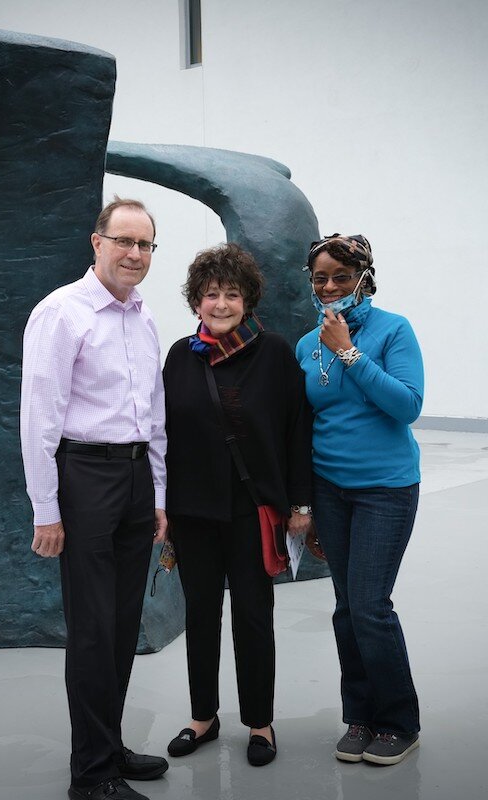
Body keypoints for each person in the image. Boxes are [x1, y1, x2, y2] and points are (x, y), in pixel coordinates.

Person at [20, 198, 170, 800]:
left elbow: (153, 414)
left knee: (123, 622)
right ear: (97, 242)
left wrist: (158, 492)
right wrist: (46, 509)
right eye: (124, 241)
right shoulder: (62, 313)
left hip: (135, 478)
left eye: (146, 245)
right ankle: (92, 775)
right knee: (91, 629)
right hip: (84, 476)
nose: (135, 254)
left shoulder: (144, 315)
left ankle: (109, 743)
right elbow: (40, 417)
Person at [160, 243, 313, 768]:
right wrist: (162, 506)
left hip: (253, 511)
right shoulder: (181, 355)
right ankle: (203, 717)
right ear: (195, 301)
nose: (220, 304)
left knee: (253, 617)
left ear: (247, 299)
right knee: (200, 616)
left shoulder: (274, 354)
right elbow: (164, 435)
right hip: (193, 512)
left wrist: (301, 504)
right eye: (210, 294)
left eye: (231, 294)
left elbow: (297, 432)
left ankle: (260, 723)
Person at [294, 233, 425, 766]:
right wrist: (304, 505)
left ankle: (399, 722)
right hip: (330, 489)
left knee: (370, 606)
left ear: (364, 278)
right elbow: (306, 421)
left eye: (341, 277)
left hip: (385, 489)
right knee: (347, 609)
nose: (329, 287)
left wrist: (348, 351)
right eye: (320, 278)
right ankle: (361, 717)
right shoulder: (306, 344)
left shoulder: (394, 330)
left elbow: (407, 405)